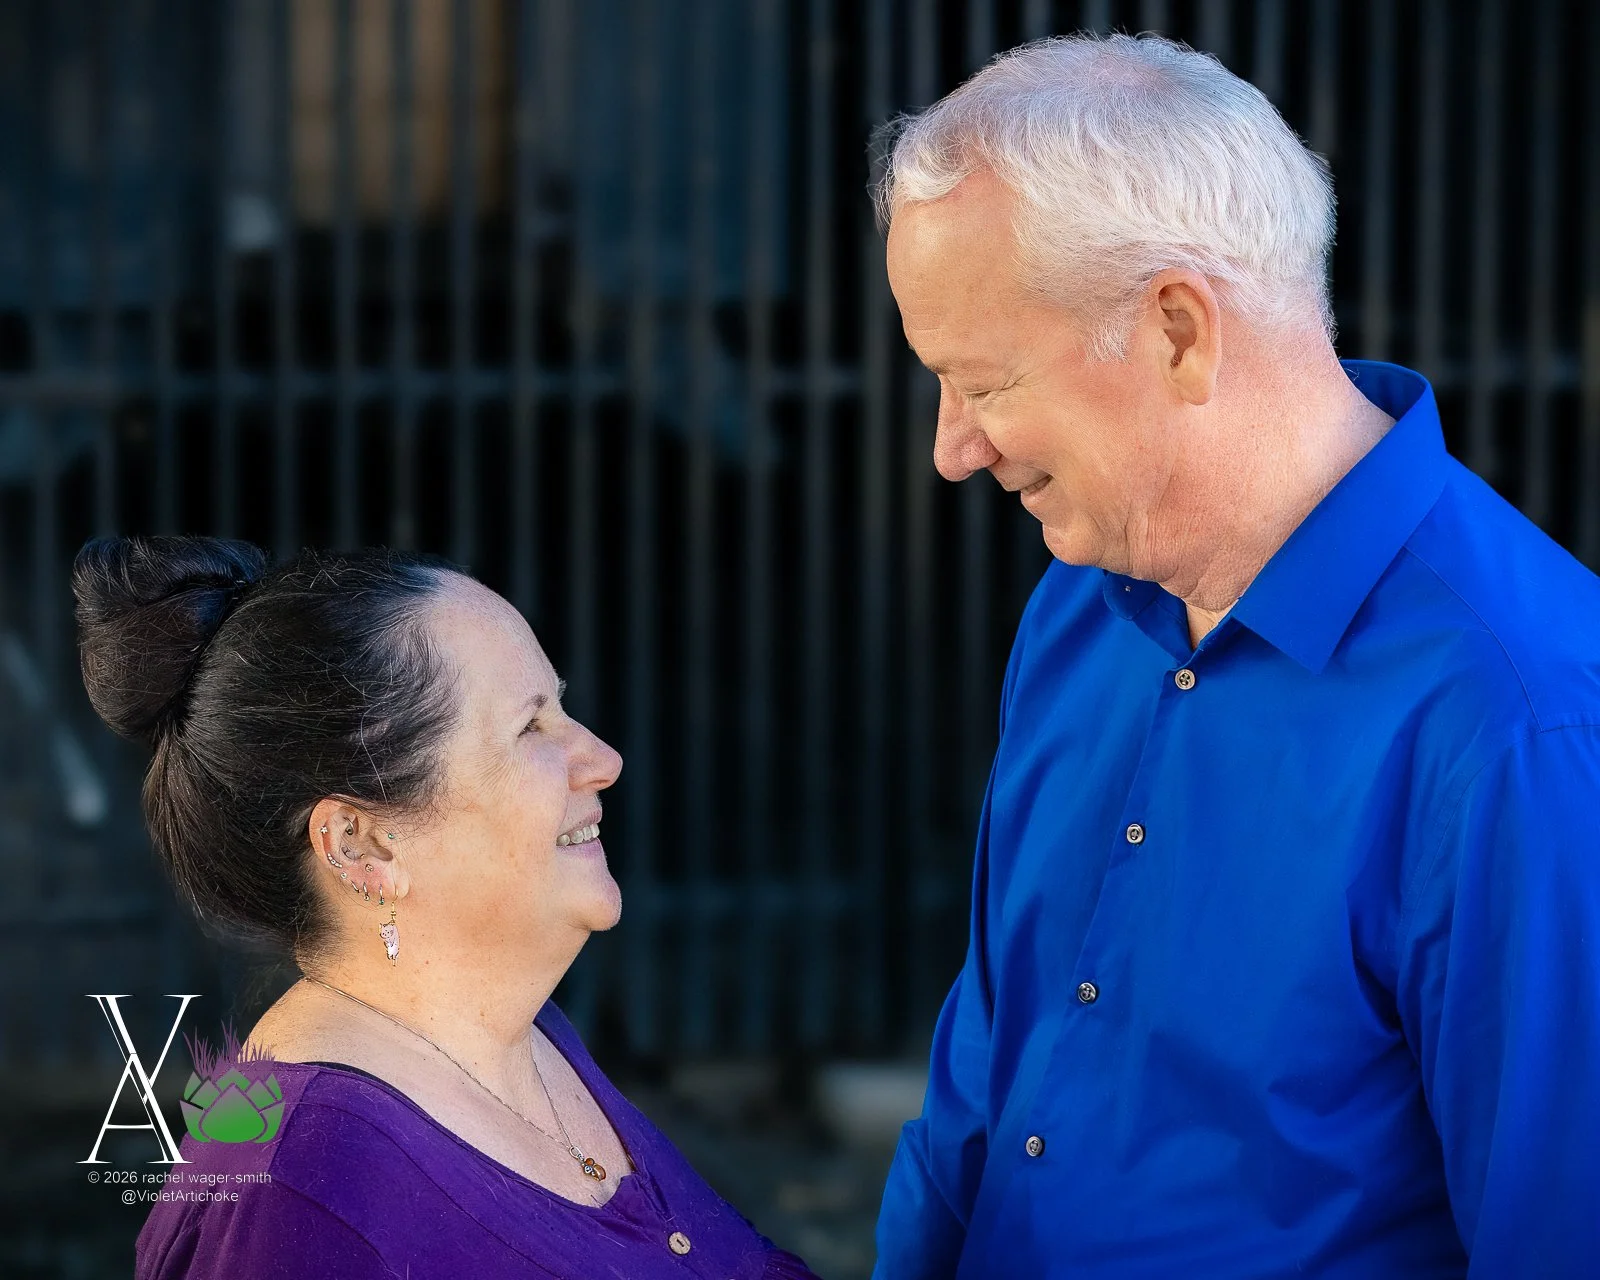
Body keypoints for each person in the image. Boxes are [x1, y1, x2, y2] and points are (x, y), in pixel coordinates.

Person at [871, 32, 1600, 1278]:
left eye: (979, 380)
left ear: (1176, 331)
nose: (953, 449)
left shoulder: (1518, 717)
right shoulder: (1075, 604)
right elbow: (981, 1079)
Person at [74, 535, 818, 1279]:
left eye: (562, 707)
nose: (603, 758)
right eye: (531, 727)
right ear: (364, 846)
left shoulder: (526, 1041)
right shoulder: (301, 1194)